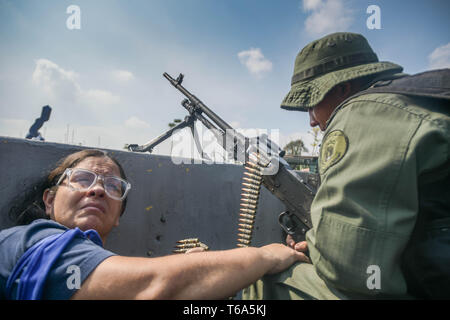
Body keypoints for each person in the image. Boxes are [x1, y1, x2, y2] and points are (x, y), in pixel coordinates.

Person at [243, 32, 450, 299]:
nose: (312, 122)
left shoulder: (365, 111)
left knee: (265, 279)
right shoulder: (423, 98)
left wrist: (308, 254)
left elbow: (349, 268)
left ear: (342, 89)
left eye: (311, 105)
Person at [0, 149, 308, 300]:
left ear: (118, 215)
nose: (96, 189)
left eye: (113, 186)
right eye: (82, 179)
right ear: (49, 200)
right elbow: (156, 286)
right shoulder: (34, 243)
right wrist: (267, 256)